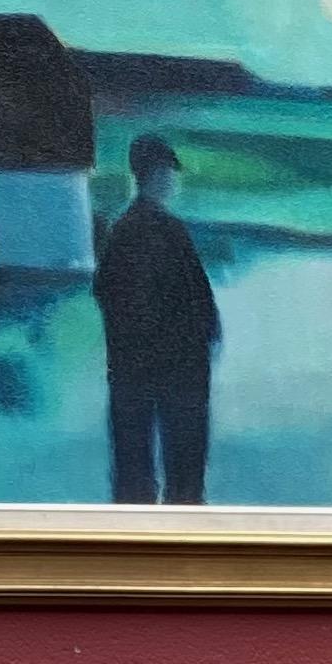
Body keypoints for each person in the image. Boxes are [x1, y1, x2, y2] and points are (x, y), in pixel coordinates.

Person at [93, 134, 221, 505]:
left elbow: (107, 294)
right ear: (155, 175)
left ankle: (136, 531)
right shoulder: (166, 230)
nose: (174, 182)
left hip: (135, 366)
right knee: (183, 460)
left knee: (134, 462)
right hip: (175, 364)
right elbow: (189, 297)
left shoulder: (123, 231)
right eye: (170, 174)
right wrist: (197, 337)